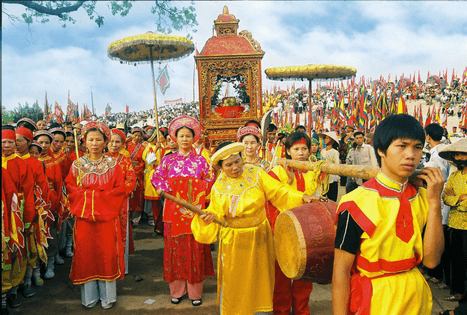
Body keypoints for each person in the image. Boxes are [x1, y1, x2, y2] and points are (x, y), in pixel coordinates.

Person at [332, 114, 445, 315]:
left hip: (416, 295)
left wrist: (435, 203)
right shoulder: (355, 203)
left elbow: (431, 261)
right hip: (376, 299)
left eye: (417, 147)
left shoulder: (424, 198)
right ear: (381, 150)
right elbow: (340, 271)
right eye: (402, 146)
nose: (411, 155)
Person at [191, 142, 320, 315]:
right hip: (234, 241)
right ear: (220, 167)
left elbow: (279, 191)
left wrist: (302, 197)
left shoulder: (256, 173)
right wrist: (208, 218)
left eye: (237, 161)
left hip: (259, 236)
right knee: (236, 280)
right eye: (228, 165)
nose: (235, 167)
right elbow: (215, 212)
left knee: (260, 279)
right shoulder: (218, 187)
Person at [152, 116, 215, 307]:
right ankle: (177, 290)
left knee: (196, 249)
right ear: (175, 138)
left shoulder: (202, 161)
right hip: (173, 211)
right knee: (175, 250)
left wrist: (191, 187)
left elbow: (210, 181)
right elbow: (156, 179)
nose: (185, 139)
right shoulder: (167, 160)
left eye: (188, 136)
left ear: (194, 138)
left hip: (195, 210)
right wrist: (166, 188)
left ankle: (195, 292)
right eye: (181, 136)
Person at [65, 122, 128, 310]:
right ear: (84, 141)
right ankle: (89, 297)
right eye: (90, 139)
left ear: (105, 142)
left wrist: (93, 195)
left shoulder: (113, 165)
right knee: (86, 254)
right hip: (84, 220)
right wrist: (95, 195)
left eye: (98, 139)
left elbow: (120, 189)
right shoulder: (77, 164)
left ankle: (108, 297)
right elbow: (70, 188)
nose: (94, 143)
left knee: (107, 254)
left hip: (107, 219)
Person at [267, 133, 327, 315]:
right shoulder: (276, 171)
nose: (300, 153)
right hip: (283, 232)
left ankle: (302, 311)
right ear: (287, 151)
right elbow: (274, 196)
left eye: (304, 149)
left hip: (307, 233)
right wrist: (291, 182)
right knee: (282, 277)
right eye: (296, 149)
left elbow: (317, 193)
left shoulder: (313, 171)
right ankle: (281, 311)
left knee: (304, 277)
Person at [2, 127, 36, 312]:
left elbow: (29, 192)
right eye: (3, 142)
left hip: (17, 214)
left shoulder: (23, 165)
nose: (6, 145)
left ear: (16, 145)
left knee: (17, 252)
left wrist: (28, 219)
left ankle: (13, 291)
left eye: (10, 142)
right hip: (1, 214)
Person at [15, 127, 50, 298]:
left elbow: (42, 189)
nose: (15, 142)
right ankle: (14, 283)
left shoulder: (36, 163)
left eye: (19, 139)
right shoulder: (6, 160)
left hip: (30, 210)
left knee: (31, 245)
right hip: (10, 211)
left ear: (28, 143)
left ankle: (28, 280)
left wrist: (38, 211)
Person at [33, 130, 63, 279]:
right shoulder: (31, 161)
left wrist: (56, 205)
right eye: (40, 142)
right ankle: (36, 267)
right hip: (35, 200)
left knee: (50, 231)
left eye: (46, 143)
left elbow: (58, 184)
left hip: (51, 200)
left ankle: (50, 262)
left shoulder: (54, 163)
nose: (43, 146)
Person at [440, 138, 467, 304]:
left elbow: (452, 199)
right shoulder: (455, 175)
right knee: (456, 260)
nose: (459, 157)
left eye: (462, 154)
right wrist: (460, 199)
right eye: (457, 154)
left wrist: (455, 200)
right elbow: (445, 197)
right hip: (455, 224)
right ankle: (457, 292)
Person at [425, 123, 452, 287]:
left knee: (439, 239)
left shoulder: (437, 156)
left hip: (440, 201)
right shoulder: (441, 152)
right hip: (442, 201)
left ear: (428, 136)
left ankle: (440, 276)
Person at [107, 128, 137, 275]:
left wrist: (117, 192)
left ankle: (121, 265)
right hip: (103, 201)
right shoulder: (100, 159)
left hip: (120, 201)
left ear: (122, 144)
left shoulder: (125, 160)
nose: (114, 144)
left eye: (117, 141)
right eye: (111, 141)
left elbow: (131, 180)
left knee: (121, 231)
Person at [127, 127, 146, 226]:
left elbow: (143, 162)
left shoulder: (143, 148)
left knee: (137, 196)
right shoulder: (126, 145)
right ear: (132, 135)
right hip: (128, 173)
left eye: (139, 135)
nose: (137, 137)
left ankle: (135, 219)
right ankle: (127, 218)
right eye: (135, 135)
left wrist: (137, 170)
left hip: (138, 174)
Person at [320, 131, 340, 202]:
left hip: (332, 178)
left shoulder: (335, 152)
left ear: (332, 140)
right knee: (322, 198)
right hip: (323, 178)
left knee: (332, 199)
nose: (325, 140)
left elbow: (337, 165)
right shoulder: (322, 151)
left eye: (327, 138)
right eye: (325, 138)